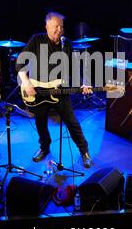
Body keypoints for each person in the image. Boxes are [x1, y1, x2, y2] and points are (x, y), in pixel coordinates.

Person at [16, 12, 93, 168]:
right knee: (40, 123)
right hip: (38, 91)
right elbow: (20, 63)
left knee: (72, 122)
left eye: (61, 26)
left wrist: (84, 83)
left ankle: (84, 151)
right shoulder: (37, 40)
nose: (59, 29)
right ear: (47, 27)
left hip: (60, 91)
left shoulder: (66, 44)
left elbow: (75, 68)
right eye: (55, 26)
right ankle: (44, 148)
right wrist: (27, 83)